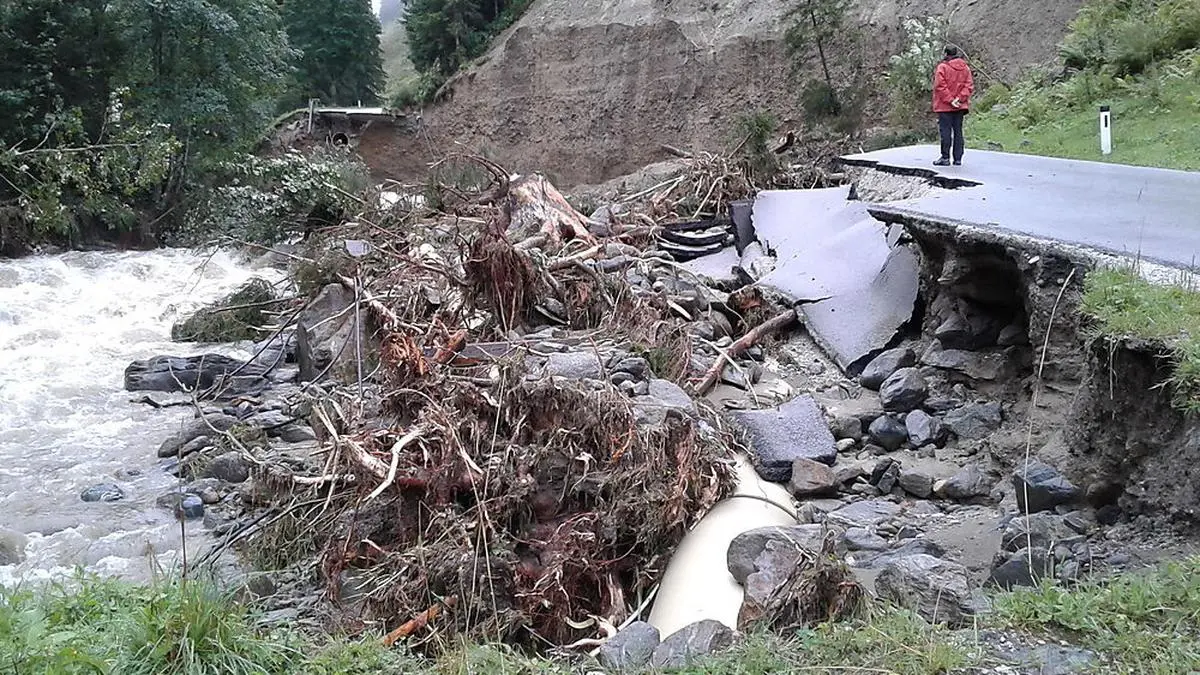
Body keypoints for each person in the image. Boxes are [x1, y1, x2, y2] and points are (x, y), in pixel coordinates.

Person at [932, 45, 975, 166]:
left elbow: (940, 86)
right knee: (958, 131)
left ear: (946, 54)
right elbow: (969, 85)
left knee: (945, 131)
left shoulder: (943, 67)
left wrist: (951, 100)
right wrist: (959, 99)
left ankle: (945, 158)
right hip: (960, 106)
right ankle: (958, 159)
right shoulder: (965, 68)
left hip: (944, 106)